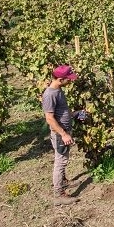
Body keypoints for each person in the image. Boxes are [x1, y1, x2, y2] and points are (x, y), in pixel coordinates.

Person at [42, 65, 86, 205]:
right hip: (60, 134)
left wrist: (74, 114)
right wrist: (63, 134)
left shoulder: (58, 89)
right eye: (69, 79)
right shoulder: (50, 95)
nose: (71, 81)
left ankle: (63, 181)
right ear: (60, 79)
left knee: (62, 159)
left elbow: (60, 113)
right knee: (61, 161)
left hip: (64, 130)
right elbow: (49, 118)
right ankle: (58, 194)